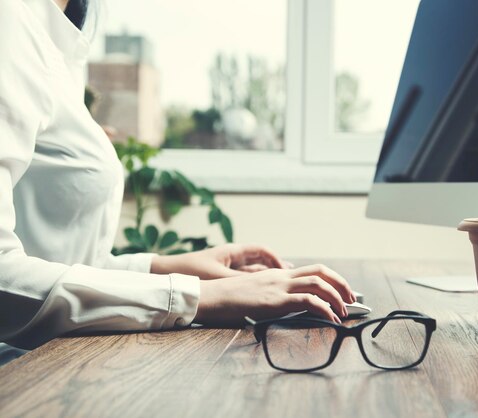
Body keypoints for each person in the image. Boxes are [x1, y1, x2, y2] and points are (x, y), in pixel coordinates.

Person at [0, 0, 355, 362]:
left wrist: (171, 267)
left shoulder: (61, 38)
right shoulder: (9, 22)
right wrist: (201, 297)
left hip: (53, 358)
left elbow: (63, 262)